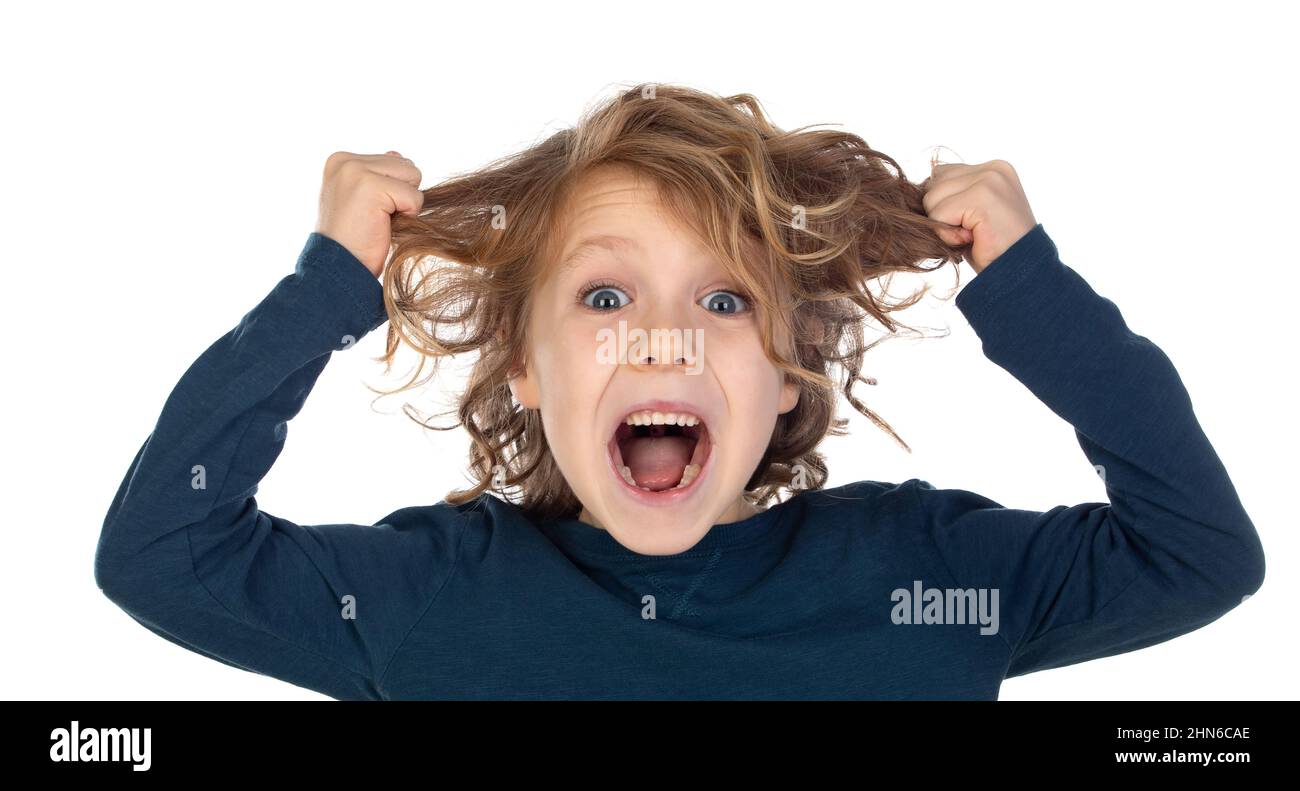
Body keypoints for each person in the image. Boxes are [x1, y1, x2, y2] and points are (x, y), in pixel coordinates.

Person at [94, 83, 1264, 699]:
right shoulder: (426, 600)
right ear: (521, 359)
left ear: (788, 359)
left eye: (725, 301)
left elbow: (1198, 549)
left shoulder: (933, 581)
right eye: (604, 300)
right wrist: (326, 287)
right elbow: (160, 549)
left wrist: (1030, 289)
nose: (665, 342)